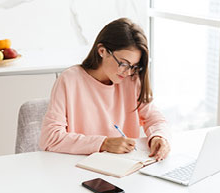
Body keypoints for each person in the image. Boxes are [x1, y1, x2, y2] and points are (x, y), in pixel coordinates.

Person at [39, 18, 170, 161]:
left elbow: (154, 118)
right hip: (79, 166)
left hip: (124, 167)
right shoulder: (69, 80)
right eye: (124, 63)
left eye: (134, 66)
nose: (127, 72)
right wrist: (103, 143)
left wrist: (158, 136)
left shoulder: (131, 79)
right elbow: (50, 137)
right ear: (102, 51)